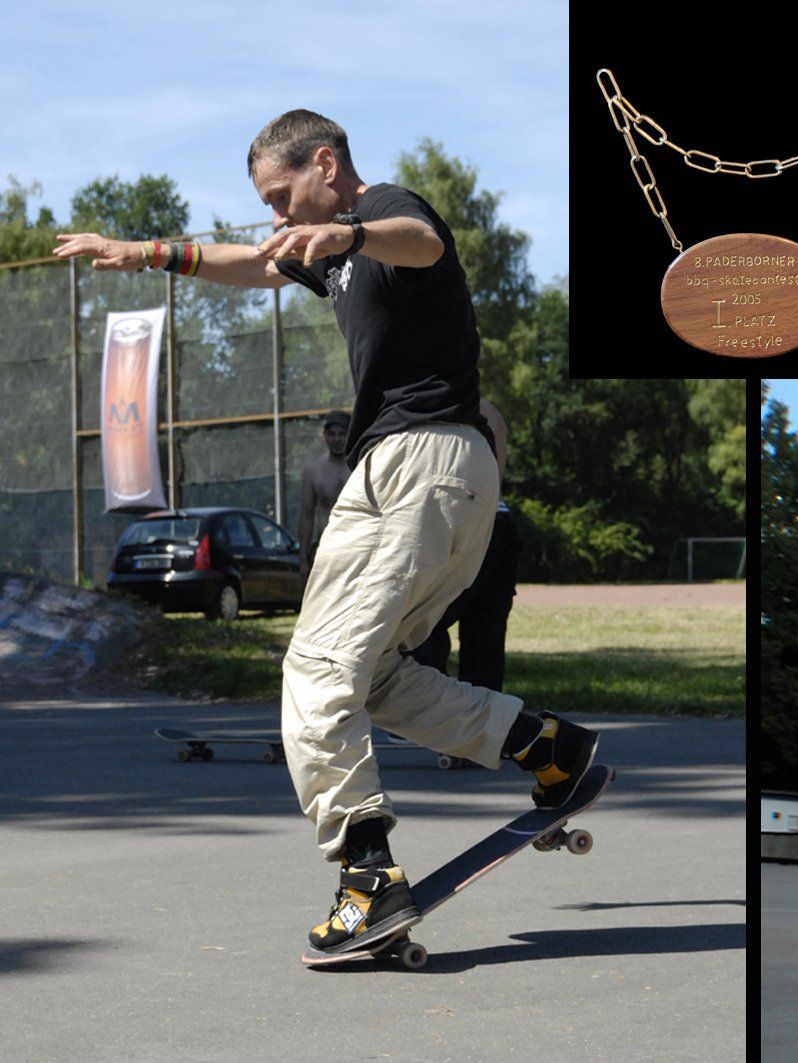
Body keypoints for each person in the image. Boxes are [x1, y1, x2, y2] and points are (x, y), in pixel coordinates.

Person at [55, 109, 598, 956]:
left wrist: (350, 229)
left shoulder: (383, 213)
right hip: (452, 480)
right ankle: (546, 746)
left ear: (325, 163)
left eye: (282, 197)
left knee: (312, 670)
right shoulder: (330, 254)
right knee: (372, 676)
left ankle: (367, 878)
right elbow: (252, 264)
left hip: (412, 466)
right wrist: (149, 252)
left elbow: (419, 240)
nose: (277, 218)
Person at [410, 397, 521, 691]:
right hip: (500, 521)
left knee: (424, 620)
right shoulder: (492, 410)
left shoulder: (451, 409)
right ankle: (483, 722)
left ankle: (427, 710)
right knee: (486, 633)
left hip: (470, 520)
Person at [297, 410, 350, 583]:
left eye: (342, 434)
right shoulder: (313, 472)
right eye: (332, 434)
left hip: (355, 545)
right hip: (326, 548)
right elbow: (306, 516)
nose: (337, 440)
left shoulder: (361, 467)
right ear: (325, 435)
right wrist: (303, 558)